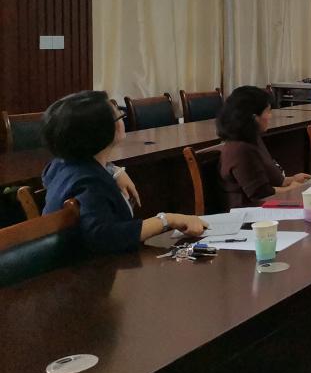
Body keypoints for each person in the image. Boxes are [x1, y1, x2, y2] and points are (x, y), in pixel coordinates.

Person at [41, 90, 207, 253]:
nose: (122, 119)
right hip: (93, 266)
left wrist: (114, 170)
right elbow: (105, 236)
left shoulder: (62, 164)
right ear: (101, 131)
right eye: (119, 116)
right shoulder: (91, 182)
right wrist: (167, 220)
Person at [217, 86, 311, 209]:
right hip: (249, 212)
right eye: (268, 111)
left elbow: (268, 179)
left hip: (264, 206)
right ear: (254, 118)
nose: (271, 116)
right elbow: (260, 193)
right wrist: (290, 189)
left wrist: (292, 179)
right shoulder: (240, 149)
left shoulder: (252, 138)